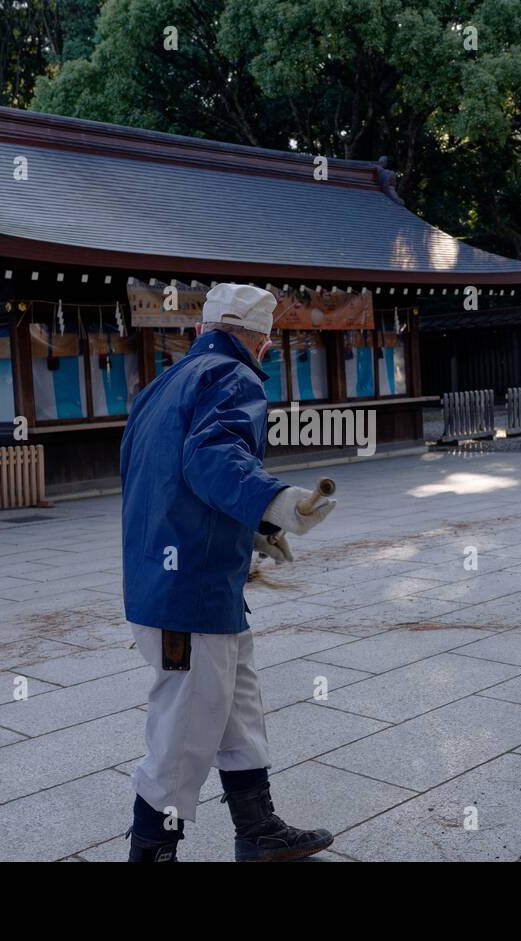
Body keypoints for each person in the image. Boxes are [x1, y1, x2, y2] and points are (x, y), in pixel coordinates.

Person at [119, 282, 338, 863]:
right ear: (261, 343)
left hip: (172, 579)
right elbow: (213, 458)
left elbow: (168, 482)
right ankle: (152, 853)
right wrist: (278, 504)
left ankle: (257, 829)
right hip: (190, 591)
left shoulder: (161, 387)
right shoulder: (231, 377)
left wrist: (254, 534)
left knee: (237, 709)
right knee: (185, 732)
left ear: (202, 330)